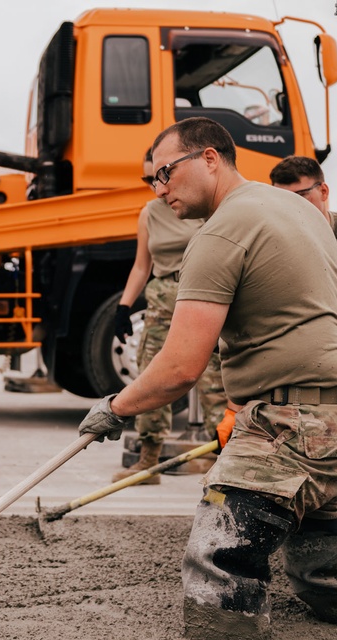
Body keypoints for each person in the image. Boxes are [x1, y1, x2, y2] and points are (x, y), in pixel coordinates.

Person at [78, 118, 337, 640]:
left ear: (211, 158)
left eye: (166, 173)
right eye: (153, 180)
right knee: (317, 549)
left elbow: (180, 367)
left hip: (299, 428)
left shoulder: (219, 233)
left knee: (220, 554)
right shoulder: (295, 208)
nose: (160, 189)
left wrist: (116, 407)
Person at [112, 147, 225, 483]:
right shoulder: (149, 213)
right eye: (147, 179)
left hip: (201, 295)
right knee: (151, 376)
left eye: (159, 177)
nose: (155, 186)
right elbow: (141, 265)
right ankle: (148, 459)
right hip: (161, 303)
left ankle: (224, 458)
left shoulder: (201, 208)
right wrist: (123, 306)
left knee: (213, 381)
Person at [269, 155, 337, 242]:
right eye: (283, 199)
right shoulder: (272, 240)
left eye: (301, 196)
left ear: (323, 191)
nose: (291, 206)